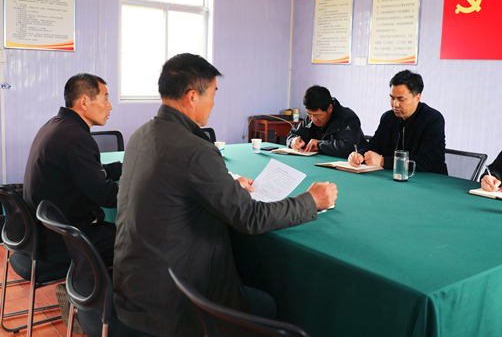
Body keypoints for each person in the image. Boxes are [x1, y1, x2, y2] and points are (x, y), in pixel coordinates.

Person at [113, 53, 338, 337]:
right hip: (173, 305)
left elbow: (175, 186)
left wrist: (227, 185)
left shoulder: (140, 135)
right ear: (192, 97)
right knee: (268, 306)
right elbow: (251, 218)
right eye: (213, 94)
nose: (214, 102)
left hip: (132, 289)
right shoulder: (196, 150)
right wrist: (311, 201)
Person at [23, 73, 121, 268]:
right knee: (139, 240)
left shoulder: (55, 125)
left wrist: (123, 168)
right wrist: (143, 189)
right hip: (67, 239)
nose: (109, 106)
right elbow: (107, 196)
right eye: (105, 98)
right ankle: (102, 287)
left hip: (42, 234)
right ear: (84, 102)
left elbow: (85, 173)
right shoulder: (77, 138)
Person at [348, 70, 448, 174]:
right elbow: (374, 145)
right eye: (392, 98)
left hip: (430, 179)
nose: (395, 104)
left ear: (417, 97)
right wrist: (360, 155)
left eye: (401, 99)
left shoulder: (433, 119)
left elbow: (425, 162)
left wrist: (384, 161)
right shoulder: (388, 118)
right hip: (394, 176)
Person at [286, 85, 365, 158]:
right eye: (309, 114)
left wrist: (319, 145)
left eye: (317, 115)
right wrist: (293, 141)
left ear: (330, 108)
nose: (313, 119)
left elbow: (348, 148)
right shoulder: (309, 118)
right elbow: (293, 134)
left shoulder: (348, 118)